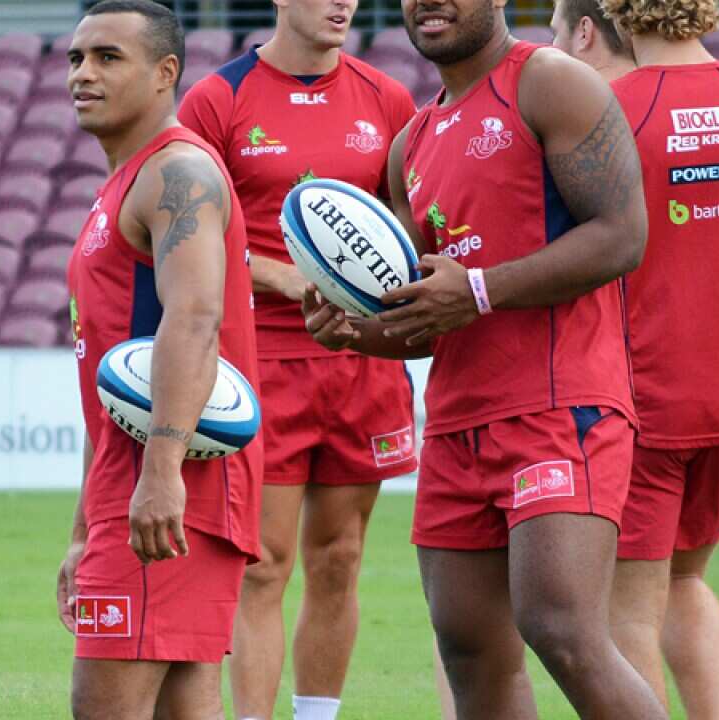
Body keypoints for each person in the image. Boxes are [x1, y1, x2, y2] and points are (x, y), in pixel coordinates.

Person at [301, 0, 667, 716]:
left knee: (561, 628)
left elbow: (623, 236)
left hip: (562, 406)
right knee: (469, 649)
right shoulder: (414, 140)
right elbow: (422, 318)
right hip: (458, 425)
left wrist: (477, 290)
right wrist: (350, 330)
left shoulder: (551, 82)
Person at [177, 1, 417, 717]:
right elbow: (183, 225)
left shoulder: (386, 97)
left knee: (339, 558)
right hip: (261, 359)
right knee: (264, 564)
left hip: (361, 360)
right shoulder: (219, 98)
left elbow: (405, 217)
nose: (342, 3)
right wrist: (280, 273)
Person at [56, 1, 262, 717]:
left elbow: (196, 317)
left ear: (165, 73)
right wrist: (86, 526)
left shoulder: (179, 174)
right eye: (77, 59)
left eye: (108, 57)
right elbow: (116, 379)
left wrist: (163, 472)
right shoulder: (124, 182)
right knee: (184, 704)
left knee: (106, 706)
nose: (84, 73)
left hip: (178, 483)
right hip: (142, 483)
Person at [595, 0, 719, 716]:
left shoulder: (613, 110)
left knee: (627, 609)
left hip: (647, 395)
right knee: (685, 579)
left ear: (620, 9)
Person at [549, 0, 635, 83]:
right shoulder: (647, 87)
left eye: (556, 33)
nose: (552, 46)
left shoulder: (578, 97)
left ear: (584, 32)